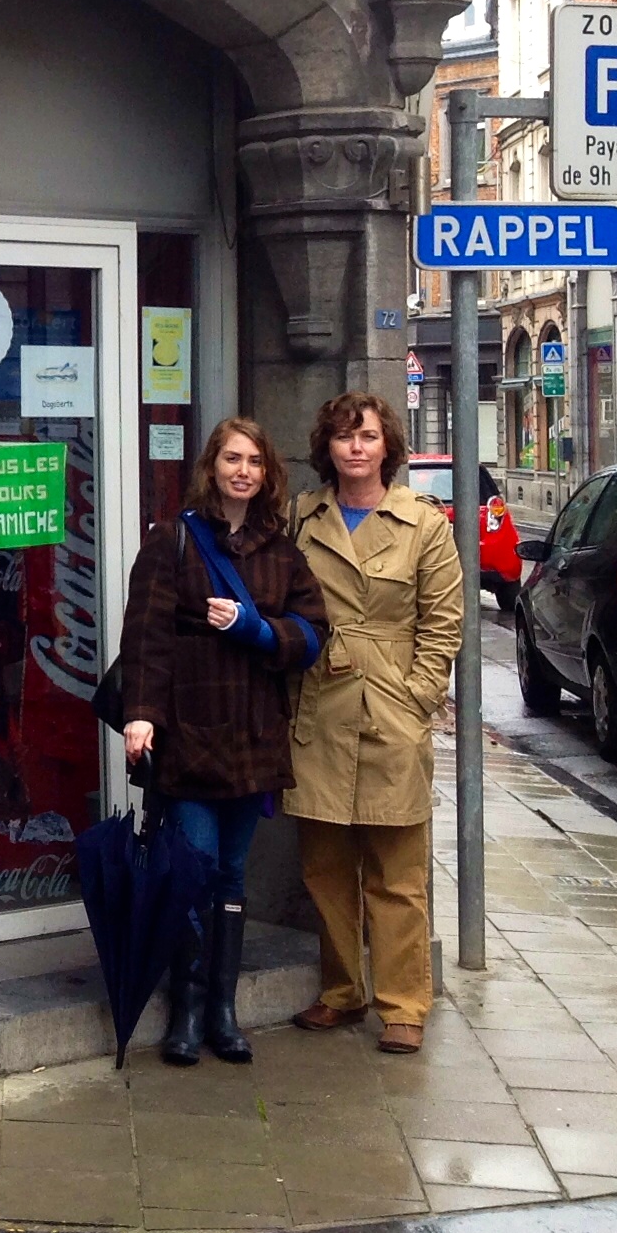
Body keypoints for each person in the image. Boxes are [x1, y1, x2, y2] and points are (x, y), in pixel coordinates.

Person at [115, 418, 328, 1067]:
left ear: (268, 473)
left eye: (254, 462)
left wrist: (256, 629)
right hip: (189, 730)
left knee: (231, 873)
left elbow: (314, 636)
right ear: (212, 466)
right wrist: (141, 715)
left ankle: (223, 1012)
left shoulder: (281, 550)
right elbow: (144, 638)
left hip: (255, 735)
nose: (243, 471)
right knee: (196, 868)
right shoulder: (173, 540)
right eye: (232, 459)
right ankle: (186, 1011)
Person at [285, 391, 463, 1055]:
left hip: (392, 709)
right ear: (326, 447)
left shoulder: (423, 523)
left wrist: (417, 698)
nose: (354, 448)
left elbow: (443, 623)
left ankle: (403, 1004)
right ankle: (342, 992)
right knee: (325, 869)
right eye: (342, 436)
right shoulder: (303, 515)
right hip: (321, 705)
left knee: (397, 873)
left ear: (387, 444)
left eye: (366, 436)